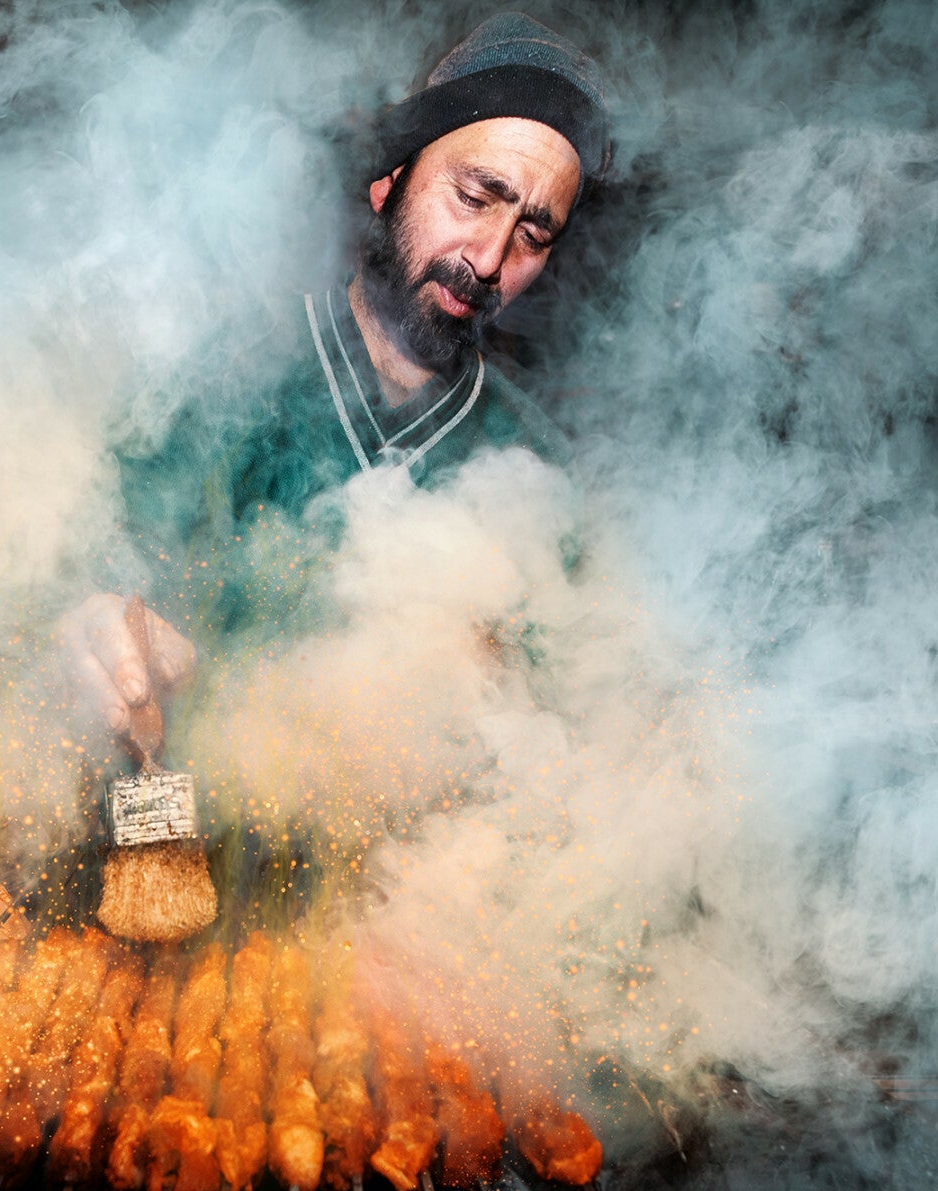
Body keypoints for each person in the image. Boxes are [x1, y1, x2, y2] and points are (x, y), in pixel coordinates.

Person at [61, 11, 611, 763]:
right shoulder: (213, 388)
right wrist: (84, 633)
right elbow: (74, 591)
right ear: (391, 181)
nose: (489, 257)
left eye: (533, 235)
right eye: (476, 198)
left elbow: (565, 756)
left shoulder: (537, 474)